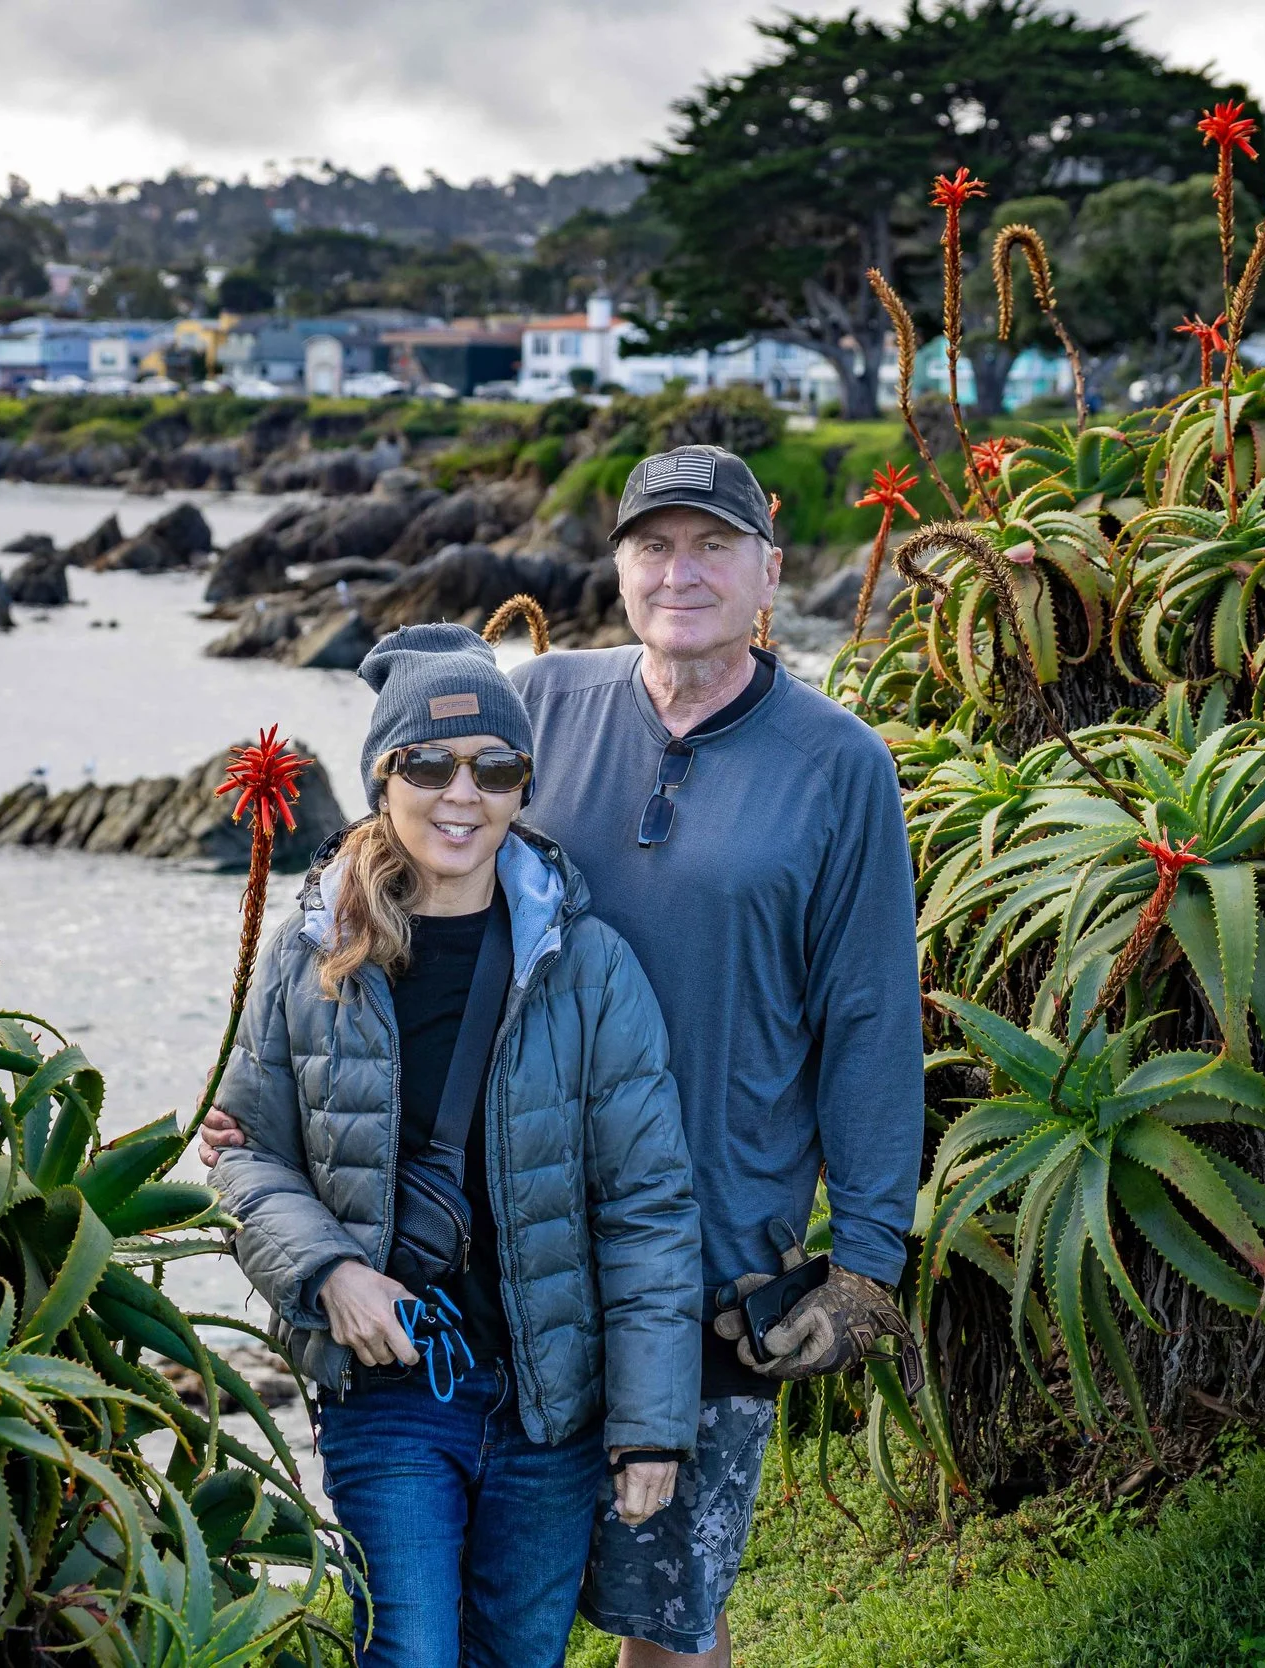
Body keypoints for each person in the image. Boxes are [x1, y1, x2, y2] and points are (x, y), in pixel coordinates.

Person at [206, 445, 923, 1668]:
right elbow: (417, 798)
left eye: (712, 546)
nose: (680, 572)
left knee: (665, 1616)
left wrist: (864, 1257)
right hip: (510, 1246)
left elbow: (868, 1019)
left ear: (768, 572)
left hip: (695, 1252)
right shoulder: (542, 705)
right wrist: (287, 1040)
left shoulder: (837, 765)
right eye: (653, 545)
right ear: (618, 567)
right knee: (476, 1619)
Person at [209, 622, 702, 1668]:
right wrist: (331, 1272)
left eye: (494, 767)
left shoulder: (588, 964)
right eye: (426, 764)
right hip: (389, 1393)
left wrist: (652, 1422)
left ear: (526, 785)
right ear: (383, 778)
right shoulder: (313, 958)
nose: (460, 793)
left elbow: (647, 1201)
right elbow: (245, 1154)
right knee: (414, 1652)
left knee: (517, 1657)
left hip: (547, 1403)